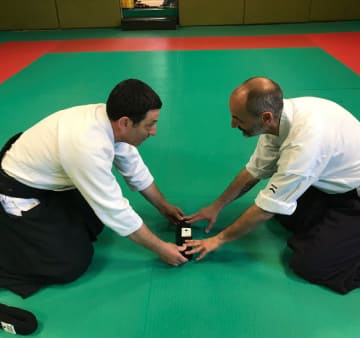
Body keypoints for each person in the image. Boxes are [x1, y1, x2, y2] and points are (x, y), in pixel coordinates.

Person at [0, 78, 188, 298]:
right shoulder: (87, 146)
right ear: (126, 122)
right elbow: (114, 210)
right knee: (70, 263)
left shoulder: (110, 120)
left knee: (92, 222)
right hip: (17, 190)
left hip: (50, 176)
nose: (154, 131)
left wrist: (163, 206)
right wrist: (161, 248)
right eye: (149, 125)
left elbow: (134, 169)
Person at [184, 76, 360, 294]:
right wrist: (216, 206)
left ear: (265, 117)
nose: (232, 124)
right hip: (331, 180)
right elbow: (254, 171)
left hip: (354, 195)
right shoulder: (278, 119)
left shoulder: (304, 143)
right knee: (287, 215)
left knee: (310, 265)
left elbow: (266, 208)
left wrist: (219, 240)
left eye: (238, 119)